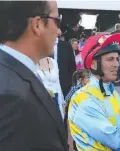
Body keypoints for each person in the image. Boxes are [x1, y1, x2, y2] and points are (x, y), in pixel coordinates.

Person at [0, 1, 67, 151]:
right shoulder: (11, 95)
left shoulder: (15, 74)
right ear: (38, 25)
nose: (59, 31)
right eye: (57, 21)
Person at [68, 33, 120, 150]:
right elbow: (116, 140)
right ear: (93, 64)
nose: (116, 64)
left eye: (117, 59)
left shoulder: (117, 96)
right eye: (110, 59)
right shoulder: (83, 98)